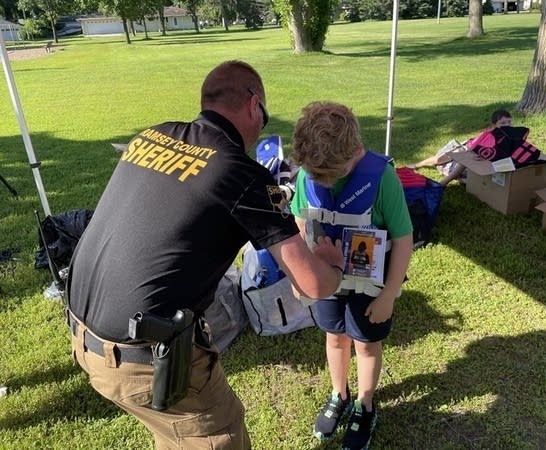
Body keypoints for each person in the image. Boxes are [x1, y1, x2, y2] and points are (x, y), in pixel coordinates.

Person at [66, 60, 345, 450]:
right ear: (253, 105)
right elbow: (312, 284)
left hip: (86, 338)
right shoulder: (241, 174)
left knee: (175, 436)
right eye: (263, 117)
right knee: (217, 434)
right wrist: (332, 264)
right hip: (145, 360)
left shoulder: (153, 135)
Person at [289, 101, 413, 450]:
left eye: (332, 173)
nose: (323, 180)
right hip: (326, 278)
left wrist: (389, 295)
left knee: (366, 343)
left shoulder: (382, 178)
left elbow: (404, 239)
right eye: (317, 176)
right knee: (334, 337)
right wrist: (301, 276)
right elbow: (300, 224)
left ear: (357, 150)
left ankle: (366, 404)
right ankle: (339, 393)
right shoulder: (307, 174)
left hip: (369, 285)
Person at [409, 109, 513, 186]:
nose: (507, 125)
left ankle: (453, 177)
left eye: (509, 122)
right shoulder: (488, 135)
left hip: (480, 160)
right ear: (494, 125)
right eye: (503, 123)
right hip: (466, 148)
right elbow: (471, 150)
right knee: (440, 159)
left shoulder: (512, 136)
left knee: (473, 178)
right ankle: (418, 165)